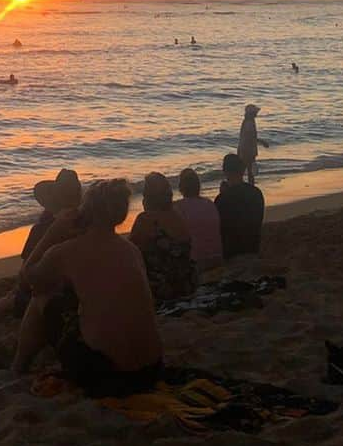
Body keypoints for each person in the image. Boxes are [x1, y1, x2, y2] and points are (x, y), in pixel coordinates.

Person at [13, 179, 162, 396]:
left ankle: (18, 366)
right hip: (152, 369)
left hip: (108, 372)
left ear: (87, 211)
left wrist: (52, 234)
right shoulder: (131, 250)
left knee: (41, 296)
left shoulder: (68, 251)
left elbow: (26, 278)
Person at [0, 169, 83, 318]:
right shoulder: (85, 224)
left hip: (50, 293)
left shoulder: (43, 228)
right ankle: (9, 298)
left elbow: (26, 272)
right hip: (79, 291)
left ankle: (6, 301)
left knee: (25, 291)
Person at [129, 173, 196, 306]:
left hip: (162, 289)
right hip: (186, 283)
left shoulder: (145, 220)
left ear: (147, 197)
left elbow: (131, 255)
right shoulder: (178, 215)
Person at [214, 154, 265, 260]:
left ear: (225, 172)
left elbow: (220, 227)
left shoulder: (222, 199)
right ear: (243, 170)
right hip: (252, 248)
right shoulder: (256, 193)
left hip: (231, 252)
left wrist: (224, 195)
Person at [174, 167, 223, 271]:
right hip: (217, 257)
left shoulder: (178, 207)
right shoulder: (210, 204)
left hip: (195, 262)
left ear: (181, 187)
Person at [237, 104, 268, 184]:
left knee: (245, 169)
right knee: (248, 169)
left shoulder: (247, 121)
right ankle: (249, 185)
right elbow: (250, 137)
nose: (256, 114)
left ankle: (244, 184)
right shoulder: (249, 123)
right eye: (255, 112)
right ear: (251, 113)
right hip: (247, 150)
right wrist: (262, 142)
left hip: (245, 148)